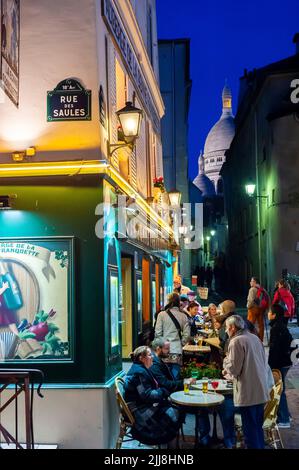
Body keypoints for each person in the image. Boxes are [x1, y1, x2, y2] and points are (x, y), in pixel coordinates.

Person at [223, 315, 269, 449]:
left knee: (249, 431)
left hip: (248, 392)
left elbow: (235, 369)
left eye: (227, 328)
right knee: (257, 429)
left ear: (232, 327)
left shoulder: (236, 341)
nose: (226, 331)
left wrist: (226, 363)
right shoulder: (254, 338)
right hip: (260, 389)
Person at [123, 346, 182, 446]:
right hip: (141, 414)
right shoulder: (139, 373)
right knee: (175, 411)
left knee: (175, 408)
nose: (153, 358)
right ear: (141, 358)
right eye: (150, 355)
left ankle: (169, 445)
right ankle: (168, 445)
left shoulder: (141, 369)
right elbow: (148, 395)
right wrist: (164, 390)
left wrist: (162, 392)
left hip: (142, 406)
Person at [268, 304, 293, 428]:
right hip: (285, 361)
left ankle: (284, 420)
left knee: (279, 390)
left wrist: (271, 366)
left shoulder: (276, 328)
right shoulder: (281, 325)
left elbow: (275, 350)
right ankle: (286, 415)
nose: (267, 314)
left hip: (280, 363)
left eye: (269, 312)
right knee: (280, 389)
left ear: (274, 315)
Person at [155, 293, 190, 379]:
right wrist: (180, 343)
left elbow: (157, 333)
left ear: (168, 301)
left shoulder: (161, 315)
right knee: (175, 377)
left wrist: (161, 345)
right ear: (179, 302)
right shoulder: (183, 316)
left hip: (164, 350)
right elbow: (187, 335)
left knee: (164, 376)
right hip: (177, 350)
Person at [247, 277, 268, 342]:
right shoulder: (262, 289)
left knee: (249, 324)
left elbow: (251, 300)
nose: (250, 282)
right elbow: (268, 298)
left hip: (253, 309)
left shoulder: (252, 289)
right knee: (261, 325)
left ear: (255, 282)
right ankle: (260, 339)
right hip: (261, 309)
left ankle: (250, 339)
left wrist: (248, 306)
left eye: (251, 281)